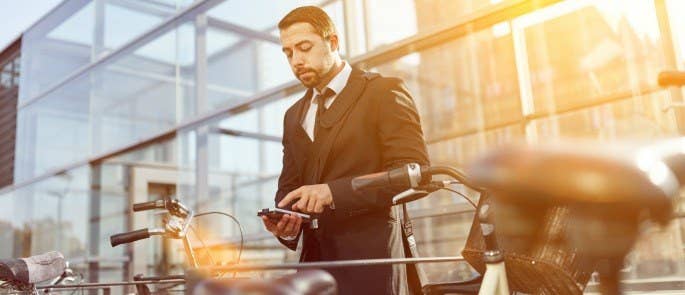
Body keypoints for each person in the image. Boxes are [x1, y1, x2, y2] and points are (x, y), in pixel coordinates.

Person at [260, 6, 429, 295]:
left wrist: (332, 192)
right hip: (313, 269)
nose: (296, 60)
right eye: (288, 53)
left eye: (304, 48)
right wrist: (285, 224)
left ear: (334, 42)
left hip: (372, 263)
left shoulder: (383, 92)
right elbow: (289, 187)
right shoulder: (292, 115)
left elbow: (415, 174)